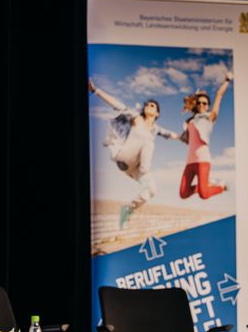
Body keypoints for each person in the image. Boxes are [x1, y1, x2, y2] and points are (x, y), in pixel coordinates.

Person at [88, 79, 181, 229]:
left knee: (151, 190)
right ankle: (145, 171)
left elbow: (171, 134)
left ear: (157, 113)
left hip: (134, 167)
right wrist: (96, 90)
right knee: (149, 142)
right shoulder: (135, 117)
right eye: (147, 105)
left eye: (152, 106)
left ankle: (128, 209)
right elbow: (117, 105)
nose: (148, 106)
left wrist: (185, 138)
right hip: (123, 157)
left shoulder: (156, 129)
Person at [179, 73, 233, 201]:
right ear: (196, 105)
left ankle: (221, 187)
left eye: (205, 103)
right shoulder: (190, 122)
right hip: (190, 162)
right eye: (199, 103)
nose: (202, 105)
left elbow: (219, 95)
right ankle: (203, 184)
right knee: (183, 193)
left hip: (203, 160)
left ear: (208, 105)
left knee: (204, 195)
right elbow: (185, 139)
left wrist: (226, 80)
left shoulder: (210, 117)